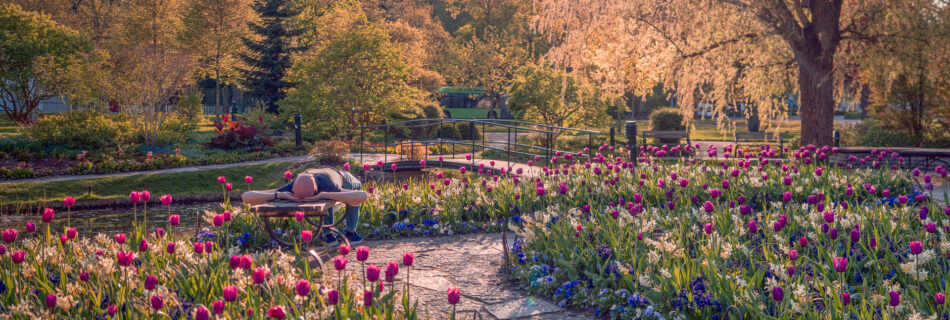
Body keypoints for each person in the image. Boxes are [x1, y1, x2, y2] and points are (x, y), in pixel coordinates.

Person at [242, 168, 367, 244]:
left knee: (340, 193)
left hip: (343, 177)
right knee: (328, 197)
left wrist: (323, 195)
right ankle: (332, 235)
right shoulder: (293, 185)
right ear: (293, 189)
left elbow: (361, 195)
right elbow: (246, 197)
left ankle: (350, 232)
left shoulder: (330, 185)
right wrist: (279, 194)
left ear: (315, 191)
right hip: (320, 175)